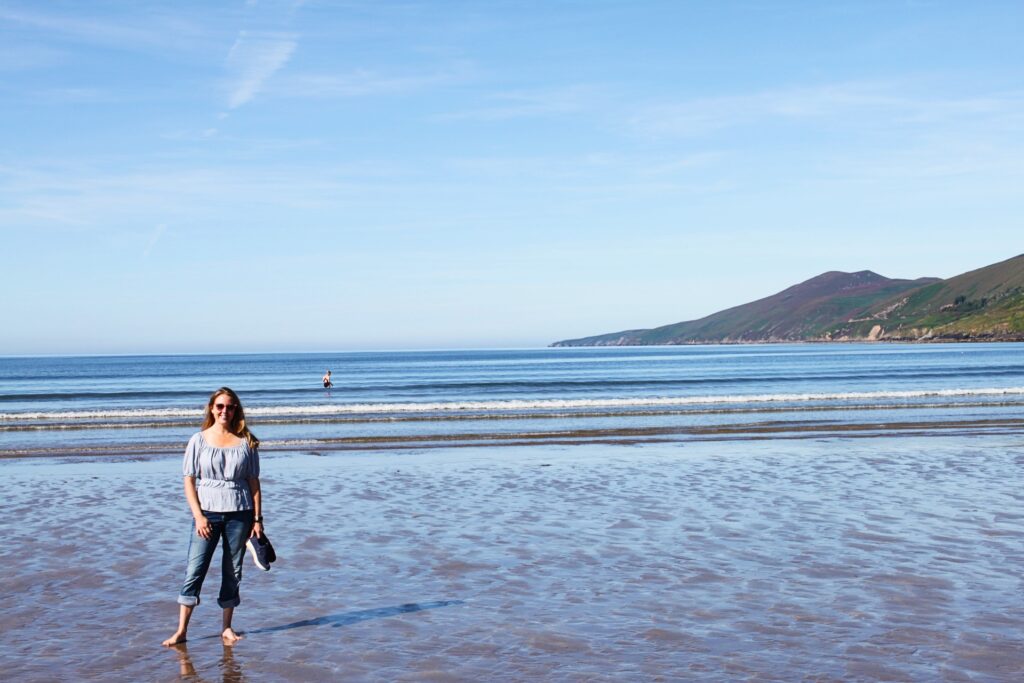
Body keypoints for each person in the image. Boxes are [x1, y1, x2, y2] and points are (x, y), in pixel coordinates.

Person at [162, 387, 263, 647]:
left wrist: (258, 520)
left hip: (240, 514)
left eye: (230, 407)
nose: (224, 411)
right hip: (206, 514)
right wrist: (198, 516)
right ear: (211, 408)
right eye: (220, 406)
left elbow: (254, 483)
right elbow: (188, 480)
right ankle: (182, 630)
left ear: (236, 409)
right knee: (195, 570)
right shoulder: (198, 440)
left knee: (233, 571)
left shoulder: (247, 442)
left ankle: (226, 628)